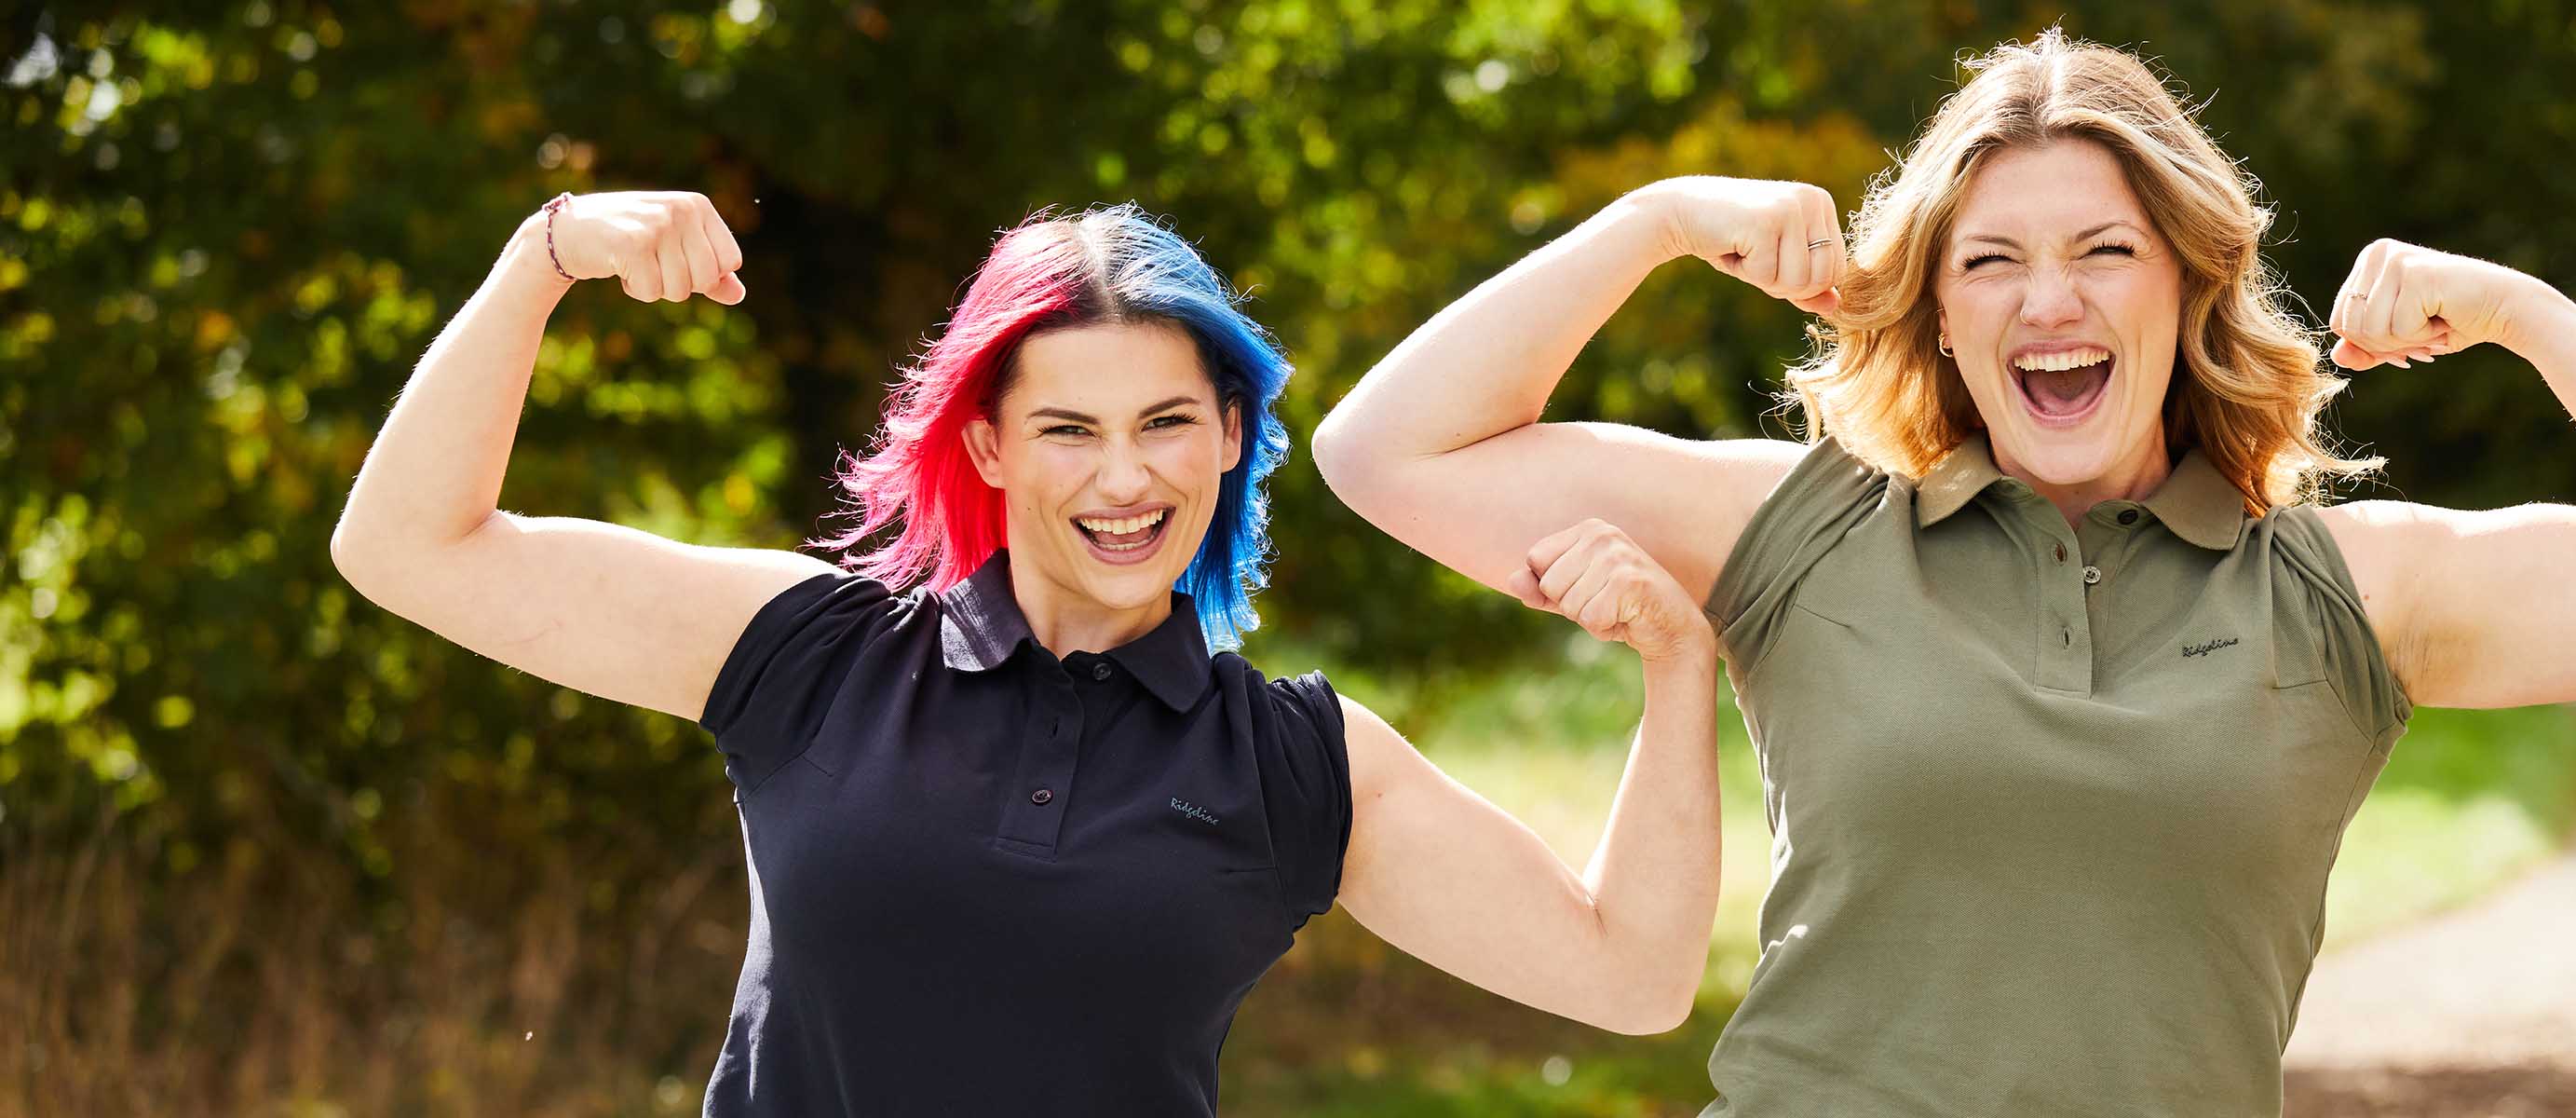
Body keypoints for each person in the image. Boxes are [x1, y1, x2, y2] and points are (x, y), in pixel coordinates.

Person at [1313, 30, 2576, 1116]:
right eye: (1989, 261)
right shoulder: (1794, 530)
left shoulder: (2346, 591)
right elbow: (1382, 455)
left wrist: (2531, 314)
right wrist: (1648, 225)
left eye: (2104, 251)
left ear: (2189, 283)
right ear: (1934, 314)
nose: (2047, 299)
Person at [331, 194, 1725, 1114]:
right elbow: (407, 547)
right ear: (989, 446)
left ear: (1232, 436)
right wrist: (549, 252)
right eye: (1069, 430)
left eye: (1168, 422)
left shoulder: (1297, 762)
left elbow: (1631, 975)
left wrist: (1676, 663)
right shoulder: (809, 653)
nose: (1126, 479)